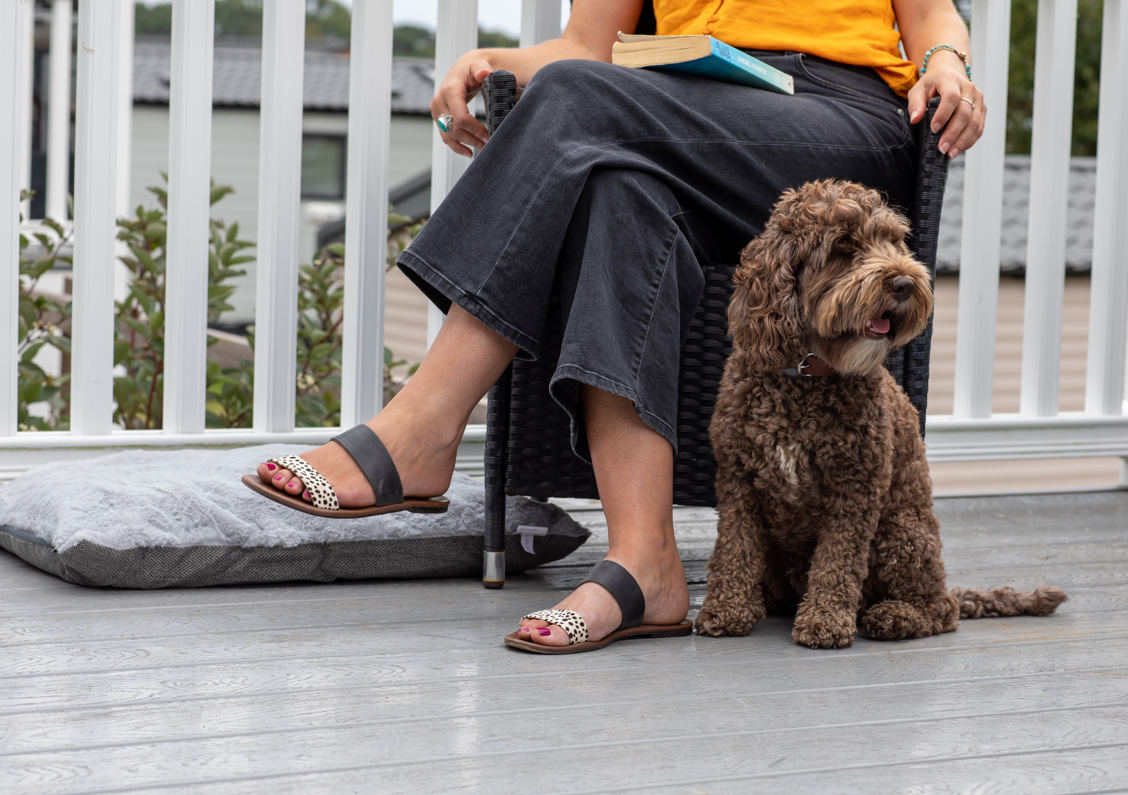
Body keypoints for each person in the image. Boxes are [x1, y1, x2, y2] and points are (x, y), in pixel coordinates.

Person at [252, 0, 986, 652]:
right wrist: (491, 62)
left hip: (836, 122)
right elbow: (584, 44)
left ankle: (423, 427)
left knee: (577, 103)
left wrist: (946, 62)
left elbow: (932, 19)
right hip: (682, 118)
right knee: (617, 193)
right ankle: (646, 563)